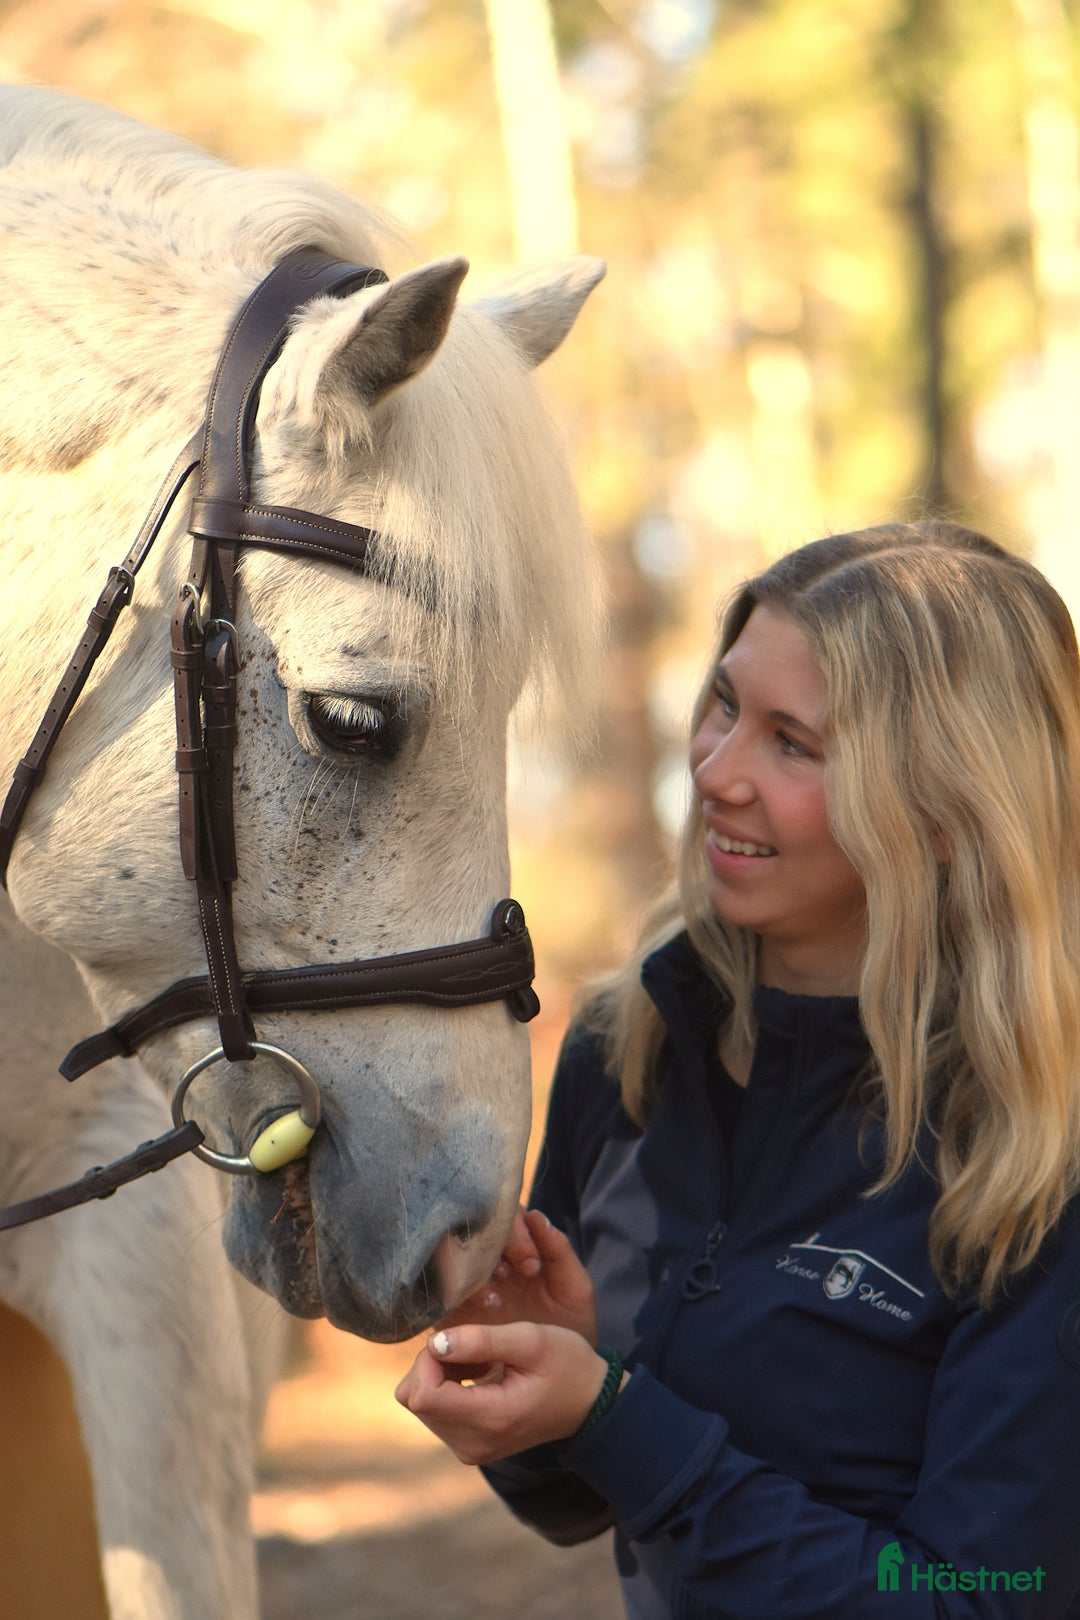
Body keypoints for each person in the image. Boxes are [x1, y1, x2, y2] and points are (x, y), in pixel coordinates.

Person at [395, 521, 1080, 1618]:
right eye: (724, 705)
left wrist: (619, 1418)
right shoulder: (626, 1051)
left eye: (792, 743)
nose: (715, 773)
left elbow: (981, 1600)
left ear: (948, 812)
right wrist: (544, 1385)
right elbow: (575, 1507)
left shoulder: (1037, 1151)